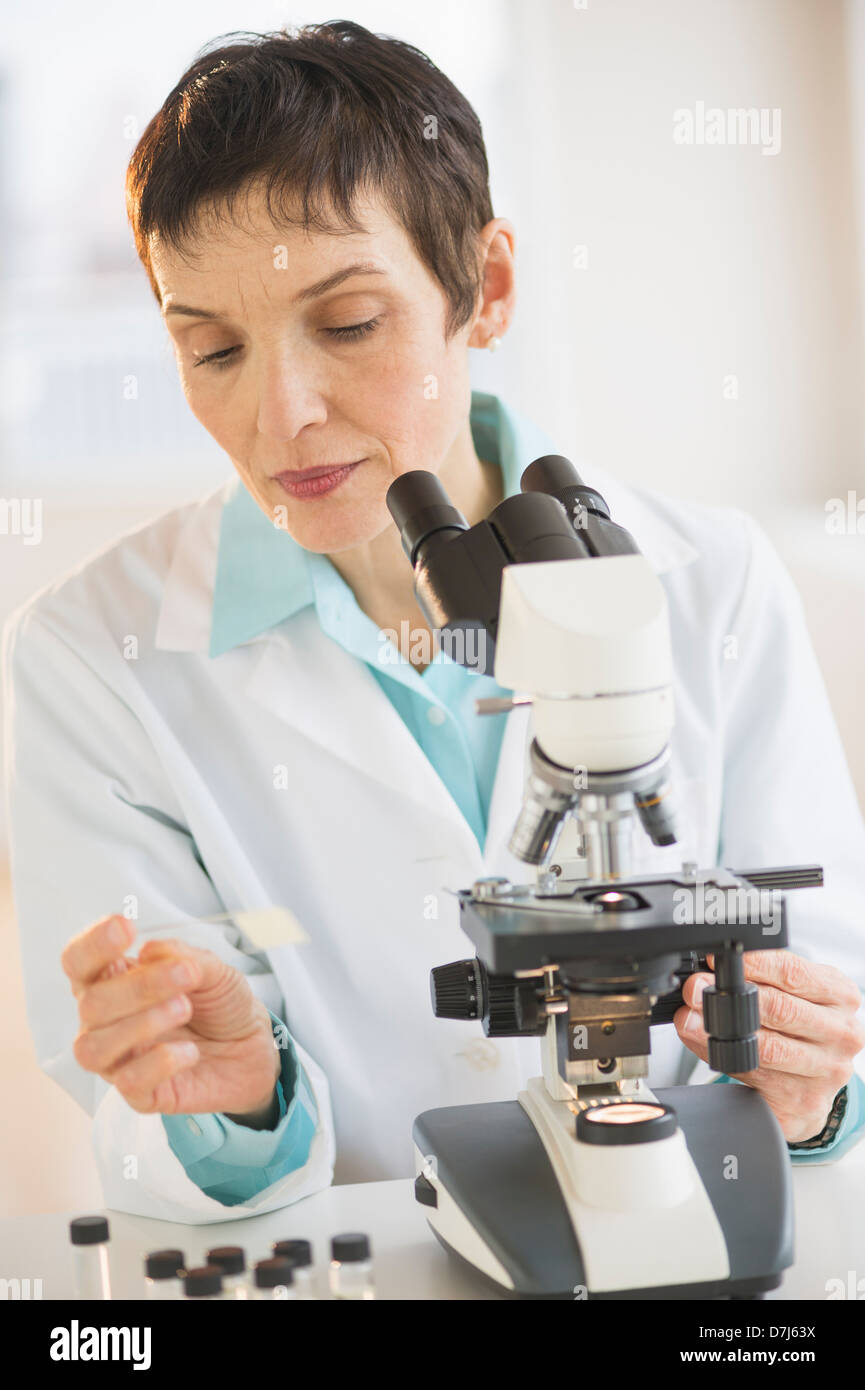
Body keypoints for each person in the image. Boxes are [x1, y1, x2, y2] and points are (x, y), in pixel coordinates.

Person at [3, 21, 864, 1225]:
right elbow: (167, 1131)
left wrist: (812, 1083)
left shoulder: (712, 578)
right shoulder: (92, 658)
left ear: (488, 287)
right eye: (211, 347)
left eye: (348, 324)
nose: (282, 412)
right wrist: (237, 1099)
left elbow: (832, 1022)